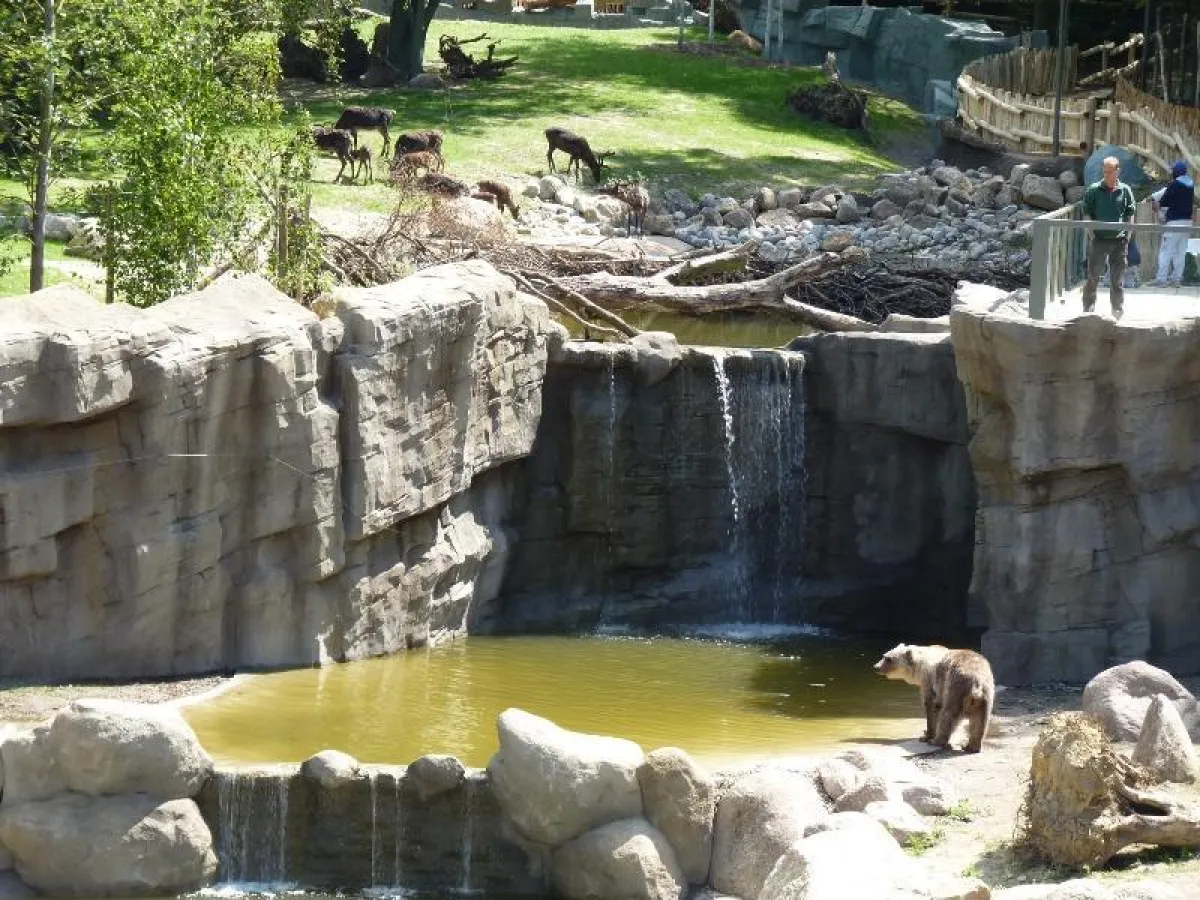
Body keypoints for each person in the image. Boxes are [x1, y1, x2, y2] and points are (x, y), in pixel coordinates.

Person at [1081, 156, 1137, 318]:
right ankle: (1088, 307)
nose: (1106, 175)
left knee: (1117, 279)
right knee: (1093, 276)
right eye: (1104, 172)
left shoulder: (1125, 190)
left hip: (1119, 241)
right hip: (1099, 239)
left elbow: (1130, 213)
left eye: (1109, 172)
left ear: (1118, 171)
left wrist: (1128, 235)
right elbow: (1086, 213)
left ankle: (1117, 309)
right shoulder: (1093, 189)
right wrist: (1091, 234)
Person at [1151, 160, 1195, 286]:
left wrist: (1156, 207)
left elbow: (1163, 201)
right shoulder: (1190, 185)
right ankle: (1176, 280)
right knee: (1180, 252)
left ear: (1175, 172)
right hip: (1187, 222)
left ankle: (1161, 280)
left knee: (1166, 251)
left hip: (1174, 222)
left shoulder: (1174, 184)